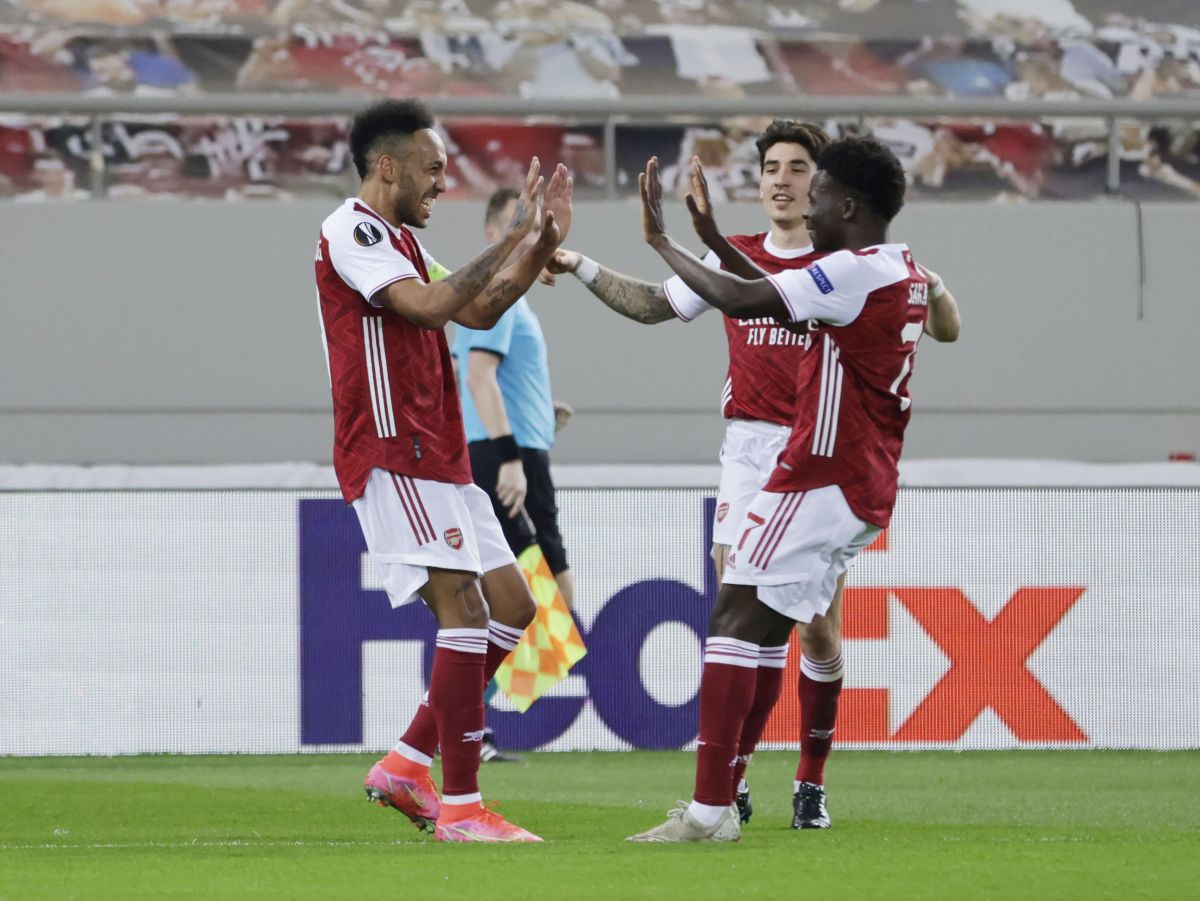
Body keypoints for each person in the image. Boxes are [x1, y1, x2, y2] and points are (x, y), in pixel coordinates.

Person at [548, 119, 959, 828]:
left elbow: (749, 297)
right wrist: (704, 238)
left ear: (843, 203)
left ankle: (722, 805)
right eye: (777, 169)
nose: (798, 194)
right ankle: (727, 796)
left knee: (746, 620)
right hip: (838, 474)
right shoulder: (900, 269)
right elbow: (737, 290)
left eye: (814, 182)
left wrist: (663, 238)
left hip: (817, 470)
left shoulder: (846, 271)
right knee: (752, 619)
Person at [314, 98, 572, 843]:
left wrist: (533, 248)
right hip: (395, 449)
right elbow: (429, 308)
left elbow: (479, 309)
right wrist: (514, 237)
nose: (440, 183)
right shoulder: (352, 229)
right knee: (464, 612)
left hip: (443, 454)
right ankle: (461, 808)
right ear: (386, 166)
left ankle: (404, 762)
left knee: (516, 606)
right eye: (431, 169)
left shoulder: (397, 237)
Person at [453, 187, 575, 612]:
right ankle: (483, 680)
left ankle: (495, 679)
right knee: (539, 605)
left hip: (514, 450)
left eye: (535, 225)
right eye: (518, 224)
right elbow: (478, 377)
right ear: (492, 234)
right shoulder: (492, 299)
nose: (530, 235)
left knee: (539, 604)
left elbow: (474, 378)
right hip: (508, 461)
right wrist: (508, 459)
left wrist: (539, 412)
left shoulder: (502, 301)